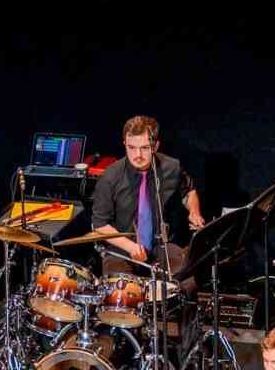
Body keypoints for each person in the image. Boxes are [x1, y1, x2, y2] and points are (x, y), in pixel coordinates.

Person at [86, 115, 205, 269]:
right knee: (122, 290)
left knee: (187, 279)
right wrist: (130, 247)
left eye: (144, 148)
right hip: (121, 248)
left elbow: (189, 192)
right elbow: (100, 225)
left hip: (161, 246)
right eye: (131, 147)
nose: (138, 155)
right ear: (124, 144)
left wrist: (194, 212)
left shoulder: (172, 167)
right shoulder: (110, 176)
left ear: (155, 146)